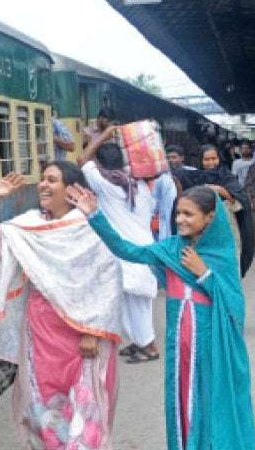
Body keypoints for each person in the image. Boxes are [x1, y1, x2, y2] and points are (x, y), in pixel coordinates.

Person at [67, 184, 255, 450]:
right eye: (178, 213)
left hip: (208, 343)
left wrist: (204, 273)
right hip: (179, 342)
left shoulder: (222, 254)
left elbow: (234, 306)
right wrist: (94, 216)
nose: (180, 219)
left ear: (210, 217)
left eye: (188, 214)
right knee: (182, 395)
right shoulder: (170, 248)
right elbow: (127, 250)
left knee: (208, 398)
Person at [0, 164, 123, 449]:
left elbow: (108, 279)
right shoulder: (30, 224)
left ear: (71, 189)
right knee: (43, 410)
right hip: (41, 332)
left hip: (82, 334)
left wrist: (94, 332)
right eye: (42, 180)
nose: (43, 185)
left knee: (85, 414)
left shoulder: (91, 226)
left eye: (52, 180)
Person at [77, 126, 159, 363]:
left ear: (100, 164)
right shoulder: (139, 185)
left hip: (127, 252)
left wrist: (101, 136)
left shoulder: (104, 184)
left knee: (136, 305)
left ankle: (150, 347)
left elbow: (82, 159)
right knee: (135, 303)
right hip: (144, 250)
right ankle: (139, 342)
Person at [175, 144, 255, 277]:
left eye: (214, 158)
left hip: (226, 226)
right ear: (200, 160)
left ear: (219, 158)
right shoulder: (192, 177)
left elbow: (240, 201)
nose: (211, 162)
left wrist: (220, 190)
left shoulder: (227, 177)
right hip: (201, 228)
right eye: (207, 159)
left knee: (228, 258)